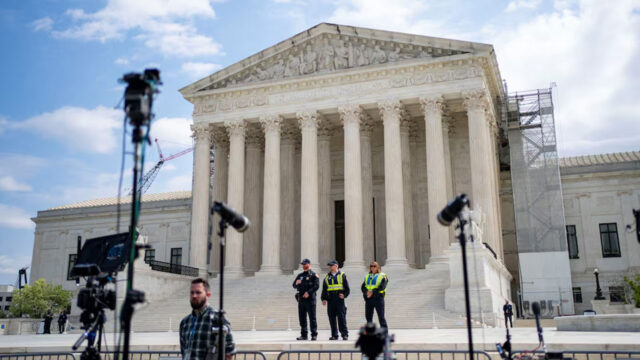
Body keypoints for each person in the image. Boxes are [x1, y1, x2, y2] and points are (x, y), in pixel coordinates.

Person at [180, 278, 235, 360]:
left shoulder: (218, 319)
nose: (194, 296)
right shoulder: (185, 323)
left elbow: (229, 353)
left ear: (208, 294)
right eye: (192, 292)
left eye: (198, 292)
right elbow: (184, 351)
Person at [321, 260, 350, 340]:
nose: (330, 267)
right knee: (332, 318)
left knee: (341, 317)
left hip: (339, 299)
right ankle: (334, 335)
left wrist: (344, 295)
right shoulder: (327, 277)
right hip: (330, 299)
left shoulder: (342, 275)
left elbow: (347, 289)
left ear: (336, 266)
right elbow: (324, 289)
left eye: (331, 265)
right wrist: (323, 299)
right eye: (329, 266)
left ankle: (344, 334)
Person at [292, 258, 319, 340]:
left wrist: (309, 293)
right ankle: (304, 335)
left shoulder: (314, 275)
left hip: (310, 299)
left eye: (305, 264)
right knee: (302, 318)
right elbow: (294, 285)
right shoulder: (300, 276)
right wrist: (296, 283)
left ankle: (314, 334)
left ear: (309, 264)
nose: (303, 266)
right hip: (301, 300)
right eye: (303, 264)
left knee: (312, 318)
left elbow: (316, 286)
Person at [361, 261, 388, 329]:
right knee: (368, 317)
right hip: (369, 299)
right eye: (371, 266)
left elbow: (382, 286)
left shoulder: (383, 276)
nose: (372, 267)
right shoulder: (367, 276)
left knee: (381, 317)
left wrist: (372, 292)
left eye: (374, 266)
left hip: (378, 298)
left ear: (378, 267)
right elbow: (363, 287)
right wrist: (367, 292)